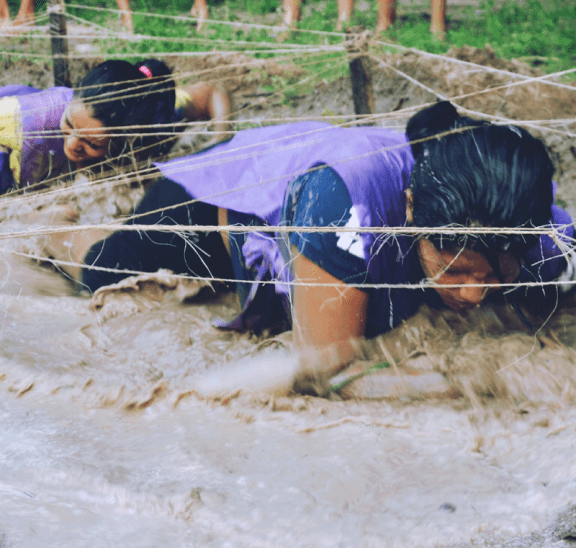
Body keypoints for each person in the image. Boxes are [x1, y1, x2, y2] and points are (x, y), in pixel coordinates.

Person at [41, 101, 575, 370]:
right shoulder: (342, 205)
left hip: (313, 173)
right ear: (410, 211)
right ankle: (58, 227)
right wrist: (481, 378)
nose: (474, 293)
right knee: (104, 271)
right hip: (219, 203)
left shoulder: (526, 220)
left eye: (494, 274)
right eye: (454, 269)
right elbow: (322, 368)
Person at [0, 58, 232, 194]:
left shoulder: (155, 119)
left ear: (127, 135)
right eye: (69, 124)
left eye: (91, 142)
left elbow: (212, 92)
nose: (72, 144)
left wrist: (219, 143)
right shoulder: (26, 124)